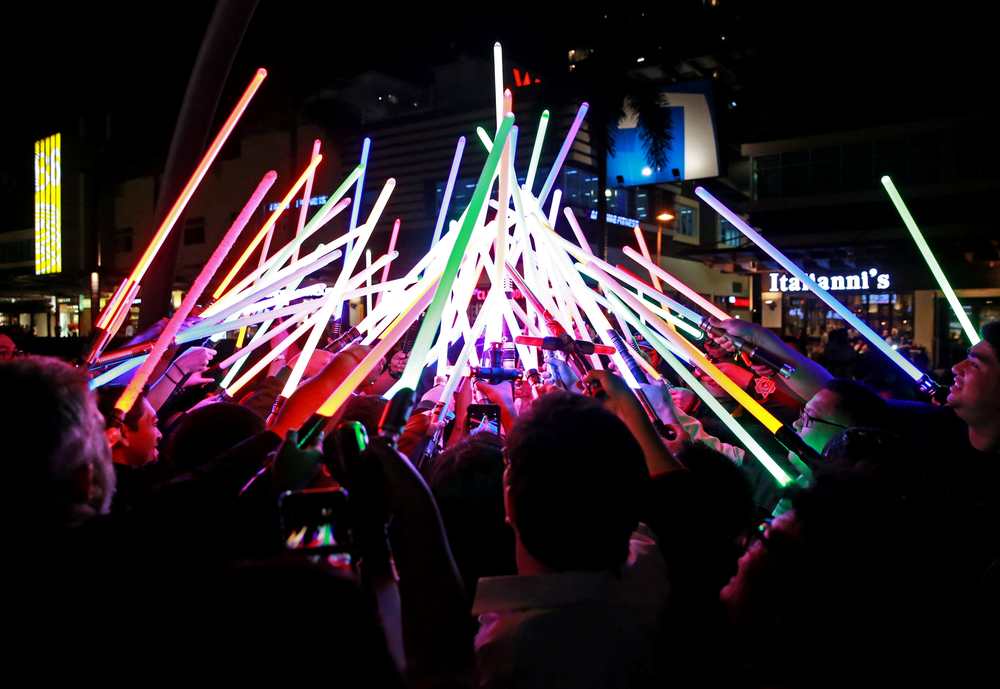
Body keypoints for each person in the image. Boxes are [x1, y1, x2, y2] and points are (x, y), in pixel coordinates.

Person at [472, 392, 668, 688]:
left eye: (507, 465)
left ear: (509, 500)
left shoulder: (505, 653)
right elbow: (673, 497)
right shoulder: (652, 574)